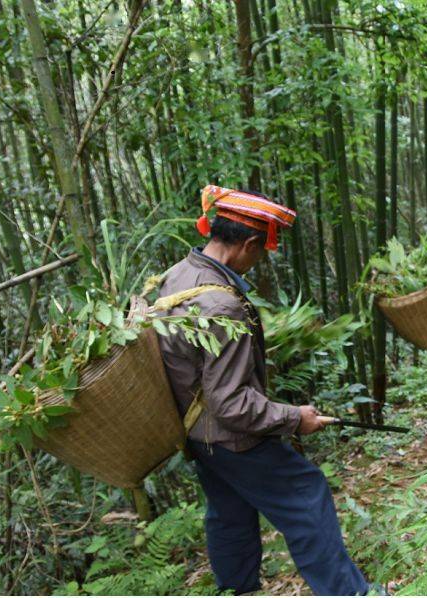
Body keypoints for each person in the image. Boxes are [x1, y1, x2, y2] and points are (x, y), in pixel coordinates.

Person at [157, 185, 370, 595]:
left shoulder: (178, 275)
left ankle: (238, 589)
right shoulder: (221, 305)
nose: (260, 261)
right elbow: (231, 403)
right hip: (232, 437)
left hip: (197, 434)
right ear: (249, 243)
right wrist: (295, 418)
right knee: (307, 495)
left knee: (230, 512)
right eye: (262, 252)